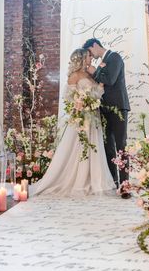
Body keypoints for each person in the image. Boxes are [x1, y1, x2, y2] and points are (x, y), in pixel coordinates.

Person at [29, 48, 115, 197]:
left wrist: (98, 89)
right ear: (82, 58)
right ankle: (79, 180)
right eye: (88, 56)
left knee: (94, 146)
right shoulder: (74, 76)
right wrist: (81, 102)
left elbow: (96, 93)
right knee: (79, 147)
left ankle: (94, 178)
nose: (90, 58)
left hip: (93, 116)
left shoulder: (90, 74)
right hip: (81, 117)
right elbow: (69, 98)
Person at [82, 38, 130, 198]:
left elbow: (110, 80)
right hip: (104, 109)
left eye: (90, 51)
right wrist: (98, 72)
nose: (91, 55)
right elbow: (100, 83)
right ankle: (113, 183)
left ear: (95, 45)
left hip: (118, 108)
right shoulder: (103, 62)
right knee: (108, 147)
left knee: (121, 146)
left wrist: (95, 71)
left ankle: (125, 187)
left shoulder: (114, 57)